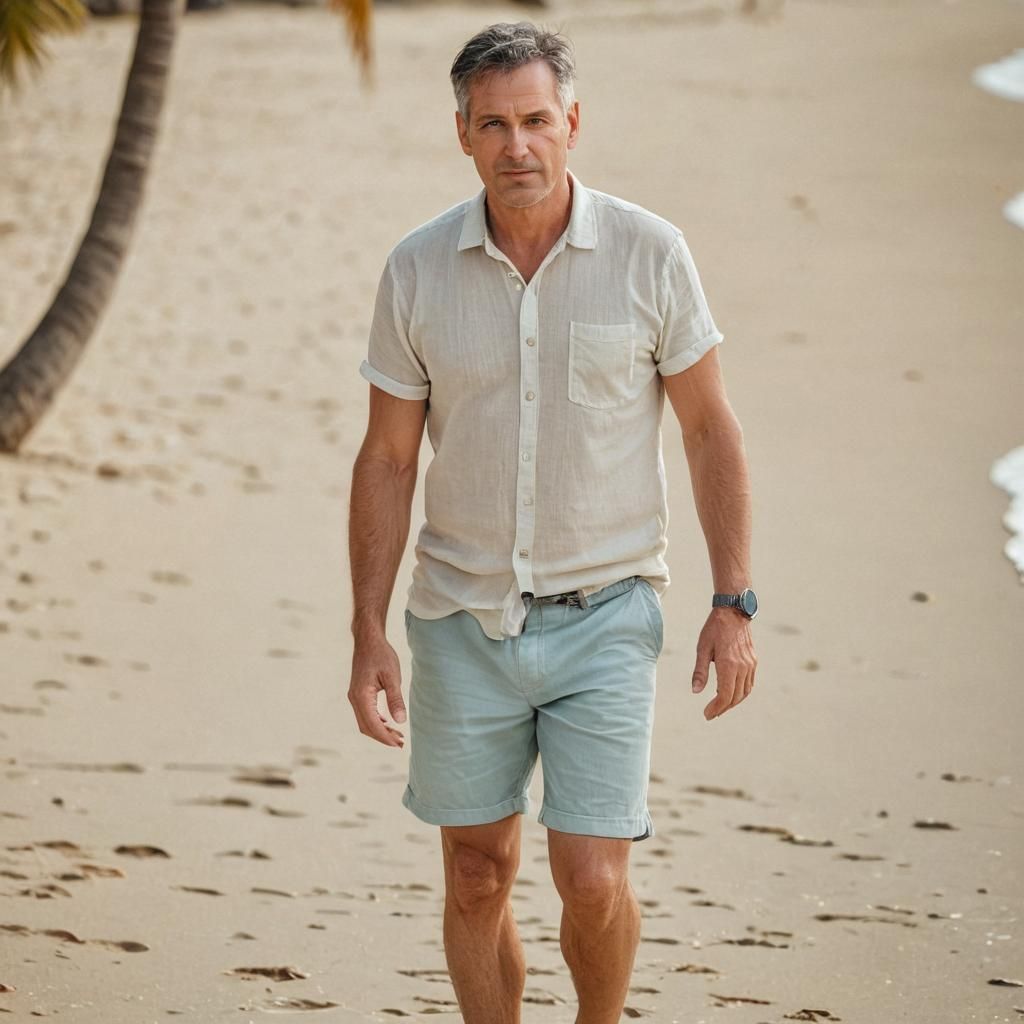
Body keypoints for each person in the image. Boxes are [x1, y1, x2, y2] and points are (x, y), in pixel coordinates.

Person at [347, 21, 758, 1023]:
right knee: (476, 874)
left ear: (573, 122)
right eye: (493, 124)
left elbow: (709, 428)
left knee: (594, 879)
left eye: (536, 120)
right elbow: (388, 457)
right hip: (459, 617)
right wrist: (367, 629)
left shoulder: (650, 253)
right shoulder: (416, 269)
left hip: (606, 615)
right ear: (462, 134)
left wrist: (733, 601)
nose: (517, 145)